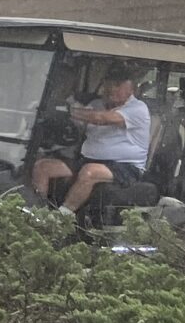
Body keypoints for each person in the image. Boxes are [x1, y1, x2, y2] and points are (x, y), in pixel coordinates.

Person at [30, 69, 152, 216]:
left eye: (118, 85)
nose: (112, 89)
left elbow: (101, 119)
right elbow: (78, 122)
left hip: (125, 166)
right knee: (42, 166)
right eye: (109, 85)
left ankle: (60, 218)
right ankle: (37, 212)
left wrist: (68, 111)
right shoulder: (96, 104)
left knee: (89, 172)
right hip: (87, 159)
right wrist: (53, 113)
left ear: (132, 89)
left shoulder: (138, 109)